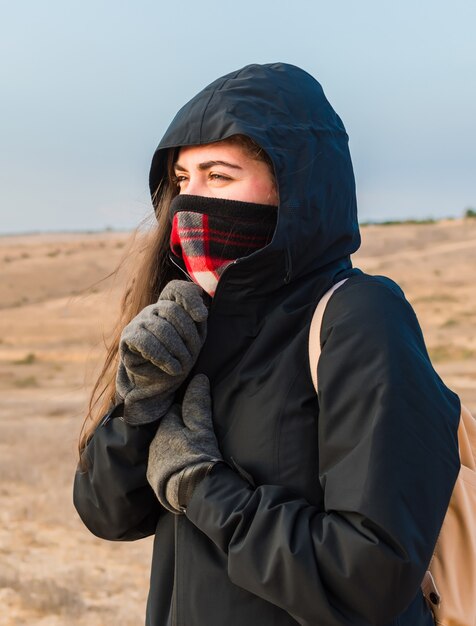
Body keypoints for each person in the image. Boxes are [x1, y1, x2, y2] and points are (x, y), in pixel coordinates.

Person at [73, 63, 461, 626]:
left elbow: (369, 576)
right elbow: (106, 513)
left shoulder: (358, 317)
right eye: (183, 180)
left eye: (219, 176)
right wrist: (141, 404)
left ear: (294, 186)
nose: (191, 202)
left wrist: (203, 487)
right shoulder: (194, 323)